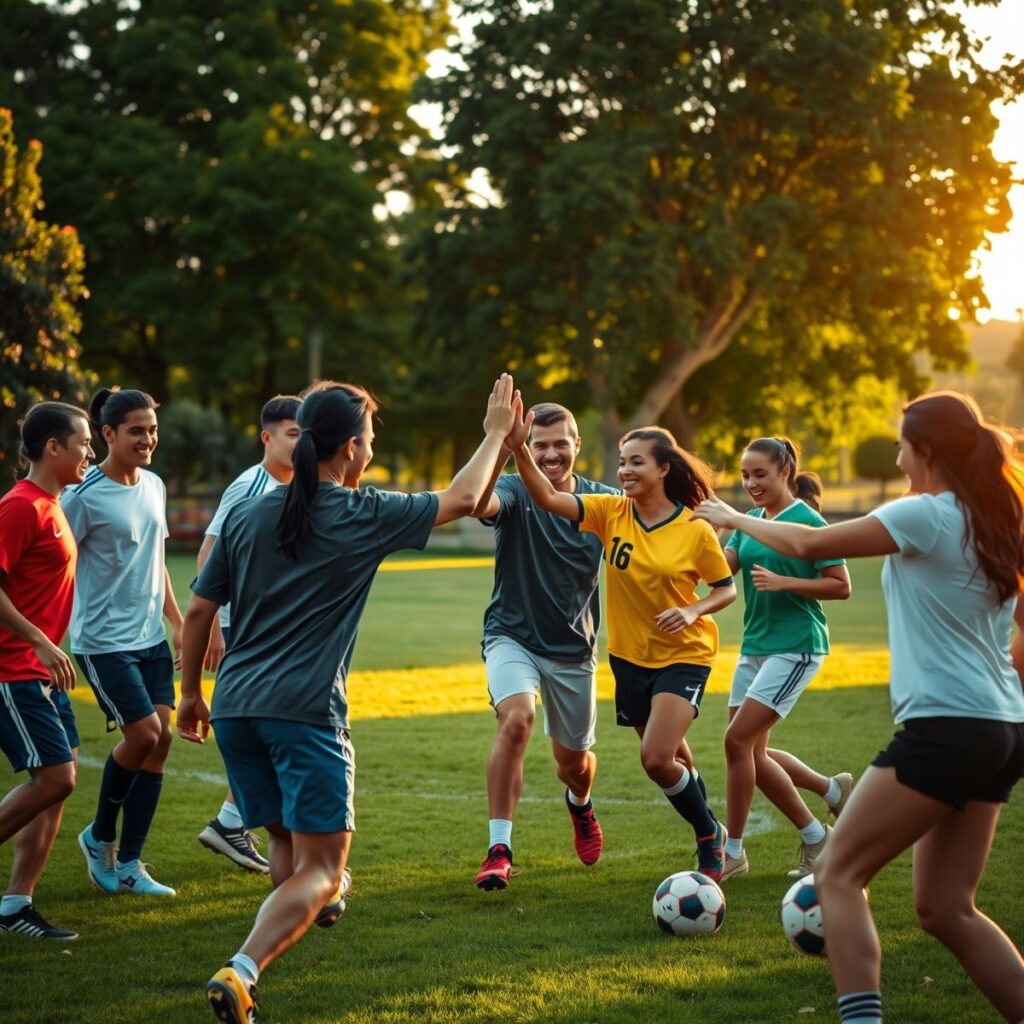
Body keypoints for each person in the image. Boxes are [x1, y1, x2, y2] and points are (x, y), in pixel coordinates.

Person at [177, 375, 519, 1024]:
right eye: (369, 439)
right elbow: (465, 497)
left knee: (286, 839)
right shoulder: (360, 513)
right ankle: (241, 971)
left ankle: (296, 919)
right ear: (352, 448)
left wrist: (191, 694)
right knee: (325, 871)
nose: (371, 449)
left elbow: (198, 611)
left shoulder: (249, 512)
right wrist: (497, 431)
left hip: (235, 707)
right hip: (304, 712)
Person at [694, 392, 1024, 1024]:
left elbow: (811, 544)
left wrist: (734, 518)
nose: (897, 459)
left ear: (925, 451)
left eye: (901, 446)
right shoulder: (998, 518)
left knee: (837, 876)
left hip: (948, 727)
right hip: (1003, 730)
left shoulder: (926, 513)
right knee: (946, 910)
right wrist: (997, 688)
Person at [511, 416, 736, 881]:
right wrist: (518, 448)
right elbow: (548, 497)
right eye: (622, 462)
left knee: (656, 758)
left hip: (684, 655)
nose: (625, 471)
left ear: (663, 469)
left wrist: (693, 610)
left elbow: (725, 588)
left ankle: (709, 836)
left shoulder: (694, 529)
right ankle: (712, 827)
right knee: (677, 760)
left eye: (637, 462)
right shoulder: (611, 511)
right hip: (629, 658)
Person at [472, 402, 619, 890]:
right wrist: (502, 446)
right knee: (516, 718)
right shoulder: (514, 489)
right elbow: (480, 504)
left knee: (573, 766)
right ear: (526, 447)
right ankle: (499, 849)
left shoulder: (604, 501)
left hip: (574, 649)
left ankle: (580, 804)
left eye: (560, 444)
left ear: (578, 444)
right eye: (539, 445)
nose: (551, 454)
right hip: (511, 634)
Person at [63, 387, 184, 897]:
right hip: (103, 642)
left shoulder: (154, 485)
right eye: (137, 430)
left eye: (152, 429)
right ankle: (99, 837)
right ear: (108, 434)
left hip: (150, 637)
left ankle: (131, 863)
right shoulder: (82, 495)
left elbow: (156, 560)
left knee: (162, 740)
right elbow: (55, 567)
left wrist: (178, 622)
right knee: (143, 735)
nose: (147, 439)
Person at [718, 437, 853, 882]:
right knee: (750, 751)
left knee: (738, 743)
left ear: (785, 472)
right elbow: (721, 568)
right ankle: (830, 793)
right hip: (754, 647)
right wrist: (709, 534)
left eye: (760, 474)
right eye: (745, 475)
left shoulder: (809, 521)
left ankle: (741, 850)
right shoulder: (751, 521)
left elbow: (841, 585)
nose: (751, 483)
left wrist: (786, 583)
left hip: (796, 646)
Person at [195, 394, 302, 874]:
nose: (300, 444)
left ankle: (230, 820)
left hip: (271, 626)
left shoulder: (295, 485)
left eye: (305, 435)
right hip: (240, 624)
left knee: (268, 726)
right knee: (267, 726)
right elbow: (209, 555)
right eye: (292, 435)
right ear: (267, 437)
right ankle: (234, 822)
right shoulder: (251, 485)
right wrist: (217, 626)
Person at [0, 402, 93, 940]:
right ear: (53, 447)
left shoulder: (52, 505)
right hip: (13, 668)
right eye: (84, 444)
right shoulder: (20, 506)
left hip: (43, 671)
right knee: (56, 778)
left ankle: (15, 905)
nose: (90, 453)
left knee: (58, 783)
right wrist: (40, 641)